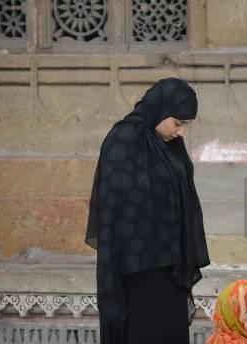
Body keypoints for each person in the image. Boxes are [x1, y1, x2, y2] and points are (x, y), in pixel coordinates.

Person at [85, 77, 210, 344]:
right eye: (178, 123)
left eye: (185, 125)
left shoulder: (168, 145)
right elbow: (115, 206)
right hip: (137, 271)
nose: (181, 132)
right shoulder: (122, 141)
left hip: (170, 268)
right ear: (162, 110)